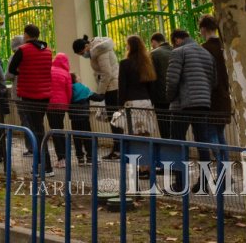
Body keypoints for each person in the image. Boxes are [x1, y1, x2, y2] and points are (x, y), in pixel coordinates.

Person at [164, 29, 216, 192]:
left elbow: (172, 80)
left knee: (178, 143)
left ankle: (180, 183)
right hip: (203, 103)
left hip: (181, 105)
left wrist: (169, 98)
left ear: (177, 40)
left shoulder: (179, 52)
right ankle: (203, 183)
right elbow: (214, 81)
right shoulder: (207, 54)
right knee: (202, 143)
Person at [10, 24, 53, 167]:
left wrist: (23, 73)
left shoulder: (22, 50)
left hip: (29, 94)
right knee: (39, 127)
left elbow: (11, 69)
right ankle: (42, 163)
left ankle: (45, 165)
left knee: (37, 130)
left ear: (26, 35)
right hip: (45, 94)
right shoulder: (47, 50)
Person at [116, 35, 158, 179]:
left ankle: (140, 168)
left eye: (127, 45)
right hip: (146, 102)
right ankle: (147, 167)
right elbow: (152, 86)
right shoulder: (147, 63)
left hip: (131, 103)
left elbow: (122, 86)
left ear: (130, 47)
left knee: (135, 138)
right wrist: (151, 102)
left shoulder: (125, 64)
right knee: (146, 136)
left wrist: (119, 105)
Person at [72, 35, 120, 157]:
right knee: (114, 119)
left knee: (115, 120)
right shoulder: (95, 51)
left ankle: (118, 149)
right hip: (110, 86)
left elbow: (107, 73)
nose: (83, 55)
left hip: (112, 87)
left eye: (82, 52)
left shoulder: (100, 51)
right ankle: (117, 148)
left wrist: (100, 92)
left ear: (86, 46)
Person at [197, 15, 231, 149]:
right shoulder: (225, 47)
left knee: (212, 134)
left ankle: (221, 165)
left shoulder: (203, 49)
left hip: (210, 97)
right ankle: (225, 165)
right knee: (220, 134)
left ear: (203, 29)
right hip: (224, 96)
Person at [69, 74, 103, 164]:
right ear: (76, 79)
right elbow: (98, 98)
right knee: (87, 137)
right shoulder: (83, 88)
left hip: (73, 118)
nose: (79, 77)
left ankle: (80, 158)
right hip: (84, 117)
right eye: (78, 76)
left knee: (76, 138)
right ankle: (90, 157)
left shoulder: (68, 89)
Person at [48, 53, 73, 168]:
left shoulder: (49, 70)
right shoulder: (66, 73)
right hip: (62, 104)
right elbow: (69, 90)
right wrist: (67, 104)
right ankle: (65, 157)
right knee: (60, 128)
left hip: (50, 104)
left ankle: (61, 158)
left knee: (54, 130)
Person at [148, 33, 173, 136]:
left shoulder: (154, 54)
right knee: (176, 127)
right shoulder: (175, 51)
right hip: (175, 97)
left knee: (164, 127)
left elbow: (151, 78)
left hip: (160, 98)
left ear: (154, 41)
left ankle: (167, 150)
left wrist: (151, 98)